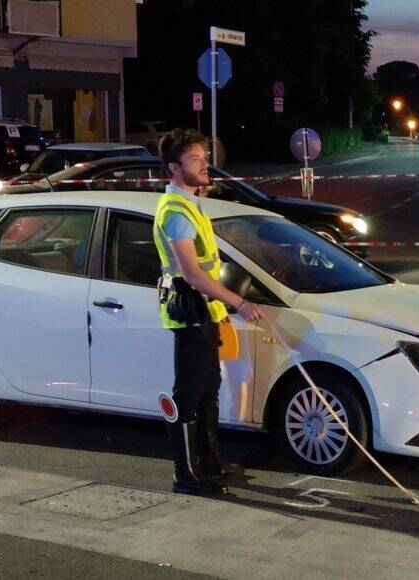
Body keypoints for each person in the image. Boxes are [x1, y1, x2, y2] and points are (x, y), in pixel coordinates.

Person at [153, 128, 265, 496]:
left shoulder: (190, 203)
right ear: (173, 168)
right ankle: (186, 474)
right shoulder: (175, 211)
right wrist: (240, 303)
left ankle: (210, 463)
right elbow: (192, 273)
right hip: (189, 311)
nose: (206, 165)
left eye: (205, 157)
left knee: (208, 390)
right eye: (196, 159)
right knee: (189, 394)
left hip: (205, 311)